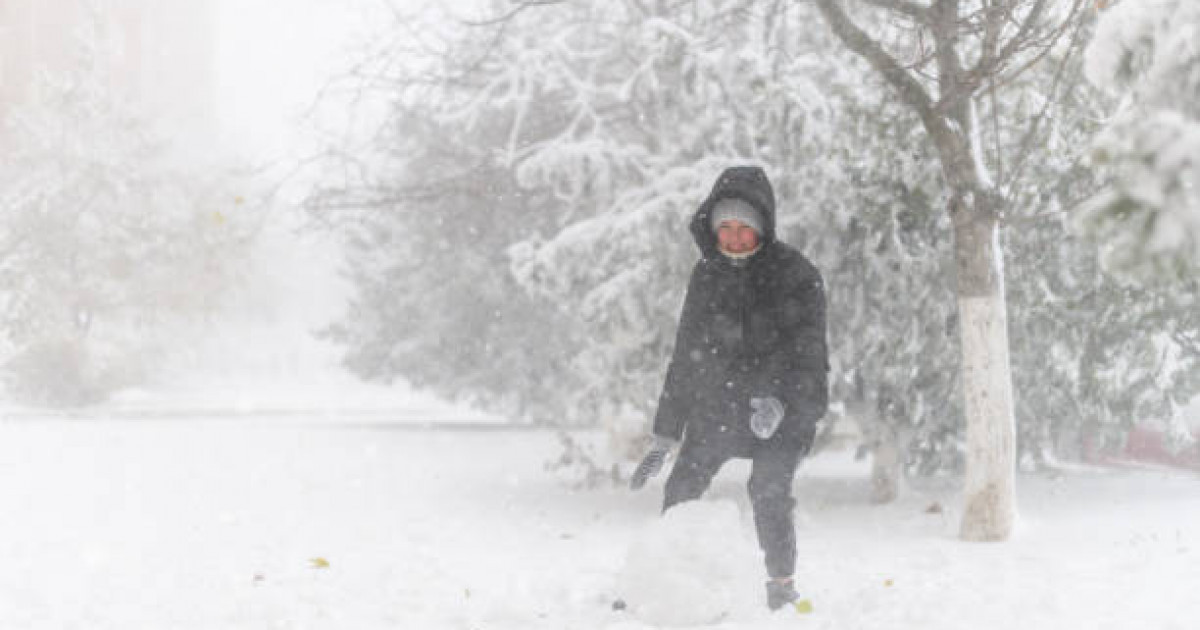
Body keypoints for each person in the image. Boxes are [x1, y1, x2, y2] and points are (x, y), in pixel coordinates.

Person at [630, 165, 829, 611]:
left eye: (744, 229)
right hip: (721, 407)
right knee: (682, 487)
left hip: (783, 413)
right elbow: (685, 357)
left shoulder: (798, 275)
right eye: (726, 228)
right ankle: (663, 579)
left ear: (763, 228)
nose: (734, 238)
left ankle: (781, 584)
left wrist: (780, 401)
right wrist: (666, 434)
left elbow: (813, 361)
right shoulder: (706, 276)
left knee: (768, 489)